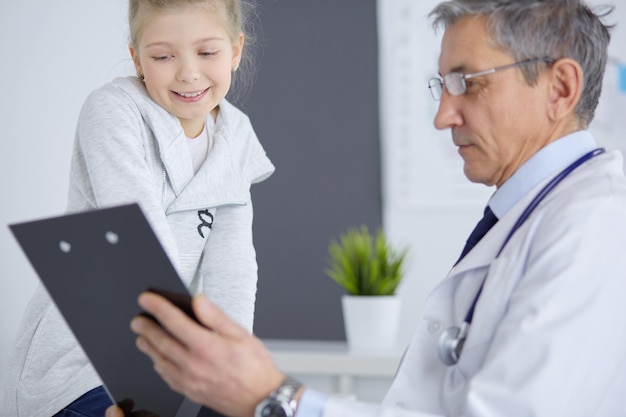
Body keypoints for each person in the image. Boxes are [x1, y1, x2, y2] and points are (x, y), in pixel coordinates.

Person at [110, 0, 626, 415]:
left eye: (467, 83)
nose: (443, 115)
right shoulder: (525, 218)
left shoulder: (596, 225)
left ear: (560, 87)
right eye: (442, 85)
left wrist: (276, 398)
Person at [0, 0, 274, 416]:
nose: (188, 73)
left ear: (236, 51)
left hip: (167, 368)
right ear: (137, 58)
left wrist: (233, 380)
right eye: (163, 56)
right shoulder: (114, 110)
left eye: (207, 52)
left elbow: (232, 269)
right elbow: (140, 242)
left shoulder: (236, 136)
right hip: (79, 369)